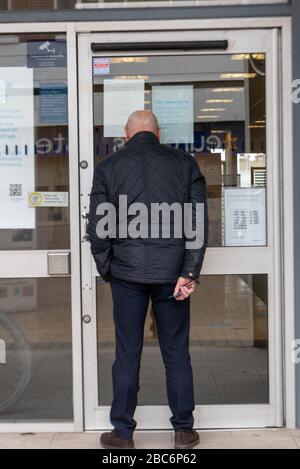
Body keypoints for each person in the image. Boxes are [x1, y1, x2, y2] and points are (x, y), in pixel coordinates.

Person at [88, 110, 208, 449]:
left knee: (127, 352)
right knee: (176, 351)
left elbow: (98, 228)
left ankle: (122, 433)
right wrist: (189, 271)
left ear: (127, 133)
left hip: (127, 274)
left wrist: (108, 268)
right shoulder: (184, 164)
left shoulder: (108, 167)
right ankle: (184, 430)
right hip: (172, 275)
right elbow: (197, 224)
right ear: (158, 132)